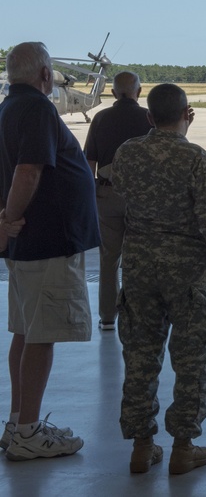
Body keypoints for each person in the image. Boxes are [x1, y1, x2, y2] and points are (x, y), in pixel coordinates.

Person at [114, 83, 206, 475]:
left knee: (140, 356)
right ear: (188, 114)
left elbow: (123, 198)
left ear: (149, 117)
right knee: (191, 358)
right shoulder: (194, 157)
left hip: (139, 267)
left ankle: (141, 446)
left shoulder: (127, 152)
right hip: (187, 270)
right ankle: (184, 446)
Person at [0, 42, 99, 460]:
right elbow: (28, 170)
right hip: (47, 241)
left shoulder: (8, 107)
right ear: (44, 75)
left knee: (26, 331)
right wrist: (8, 221)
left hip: (30, 243)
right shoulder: (39, 109)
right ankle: (27, 432)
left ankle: (19, 422)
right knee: (41, 336)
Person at [83, 71, 151, 332]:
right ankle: (139, 315)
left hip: (107, 195)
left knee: (109, 260)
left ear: (112, 93)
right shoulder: (149, 118)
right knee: (141, 259)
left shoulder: (100, 118)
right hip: (142, 198)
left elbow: (90, 163)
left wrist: (91, 199)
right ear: (139, 91)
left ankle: (108, 317)